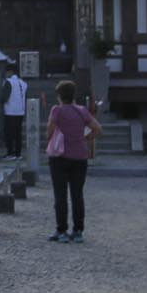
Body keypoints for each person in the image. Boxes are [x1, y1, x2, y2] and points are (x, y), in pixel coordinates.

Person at [46, 79, 102, 243]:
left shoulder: (57, 110)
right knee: (77, 195)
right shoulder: (82, 111)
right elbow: (98, 128)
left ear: (59, 96)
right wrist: (85, 138)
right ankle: (78, 231)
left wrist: (51, 138)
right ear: (73, 95)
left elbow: (49, 131)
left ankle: (61, 230)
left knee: (60, 195)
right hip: (79, 157)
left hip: (60, 157)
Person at [2, 65, 29, 160]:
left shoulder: (9, 82)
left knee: (9, 133)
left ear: (10, 72)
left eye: (6, 72)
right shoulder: (23, 83)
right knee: (18, 133)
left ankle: (10, 153)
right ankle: (18, 153)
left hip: (10, 111)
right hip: (20, 111)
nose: (5, 74)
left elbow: (5, 97)